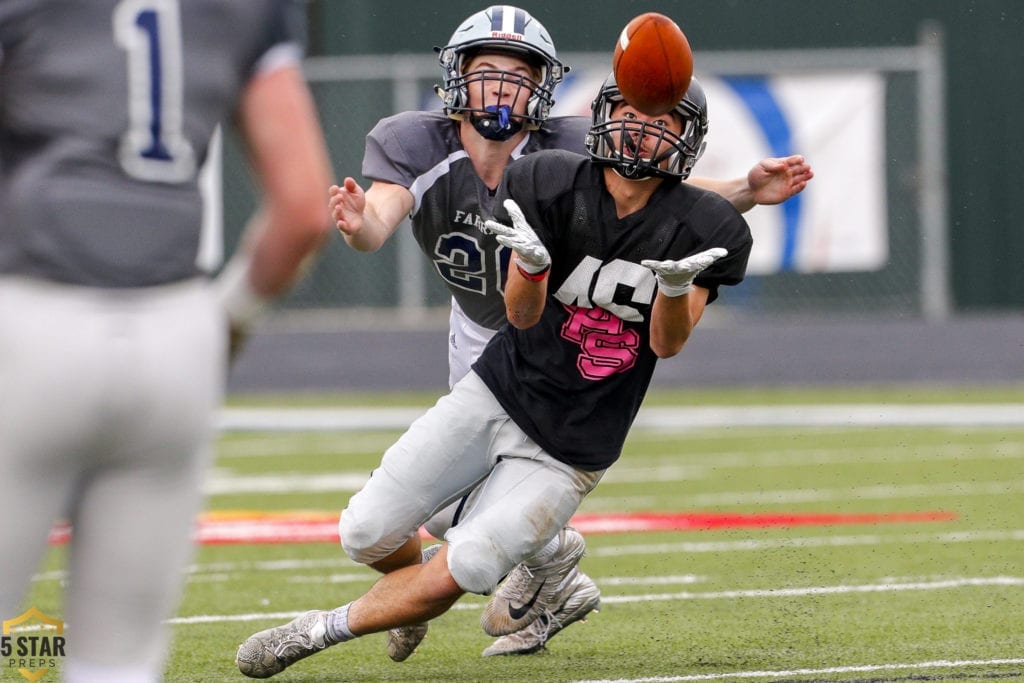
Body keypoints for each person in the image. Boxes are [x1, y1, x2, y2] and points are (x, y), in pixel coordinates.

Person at [327, 4, 811, 659]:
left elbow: (659, 183)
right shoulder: (416, 140)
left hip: (550, 328)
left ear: (544, 90)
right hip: (480, 326)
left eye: (516, 76)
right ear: (455, 78)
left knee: (478, 512)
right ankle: (540, 572)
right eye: (486, 72)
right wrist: (360, 228)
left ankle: (542, 567)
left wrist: (743, 192)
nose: (500, 90)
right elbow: (382, 216)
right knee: (443, 505)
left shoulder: (568, 145)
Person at [237, 71, 751, 678]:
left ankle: (316, 630)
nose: (642, 133)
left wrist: (673, 288)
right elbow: (519, 312)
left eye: (662, 123)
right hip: (497, 393)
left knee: (472, 561)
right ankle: (440, 592)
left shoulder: (708, 227)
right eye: (634, 115)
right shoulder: (549, 179)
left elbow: (666, 344)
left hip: (571, 447)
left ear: (688, 139)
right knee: (366, 532)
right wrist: (532, 267)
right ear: (606, 115)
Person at [0, 1, 333, 681]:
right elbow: (303, 208)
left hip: (30, 312)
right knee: (117, 663)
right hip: (175, 332)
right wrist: (228, 321)